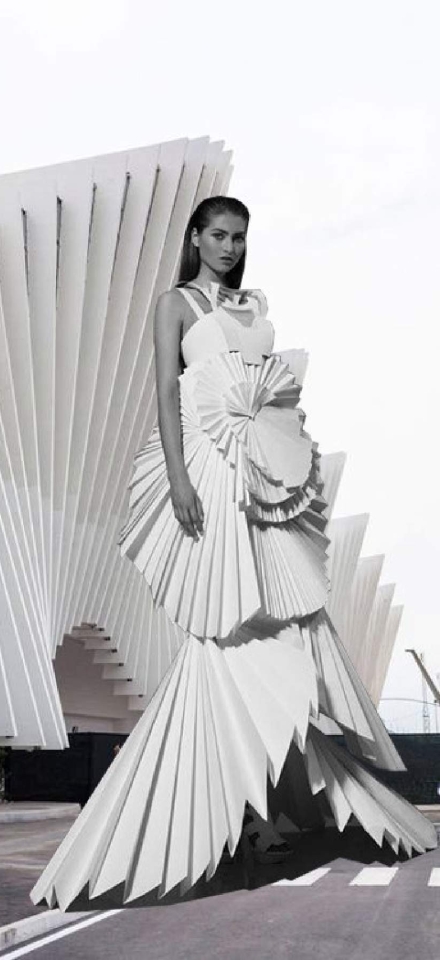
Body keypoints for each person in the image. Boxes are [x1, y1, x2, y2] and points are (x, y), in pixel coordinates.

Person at [31, 196, 437, 911]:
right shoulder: (176, 305)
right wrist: (181, 478)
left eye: (238, 237)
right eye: (216, 234)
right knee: (226, 631)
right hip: (212, 479)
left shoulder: (252, 306)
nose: (227, 245)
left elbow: (274, 397)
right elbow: (165, 393)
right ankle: (229, 816)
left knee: (291, 622)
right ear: (195, 237)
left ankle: (264, 809)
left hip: (268, 484)